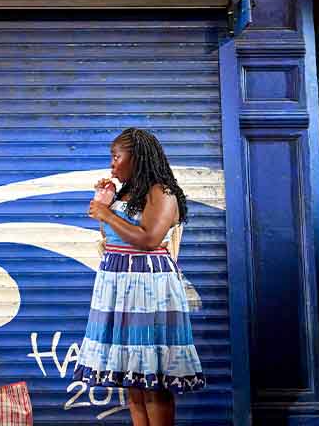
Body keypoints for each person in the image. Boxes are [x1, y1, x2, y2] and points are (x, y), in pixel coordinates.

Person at [74, 127, 206, 426]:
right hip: (119, 286)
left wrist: (107, 214)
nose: (112, 163)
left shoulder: (162, 192)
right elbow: (112, 240)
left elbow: (149, 238)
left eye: (116, 156)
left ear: (136, 158)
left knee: (154, 381)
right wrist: (106, 202)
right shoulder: (127, 194)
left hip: (148, 287)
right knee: (133, 381)